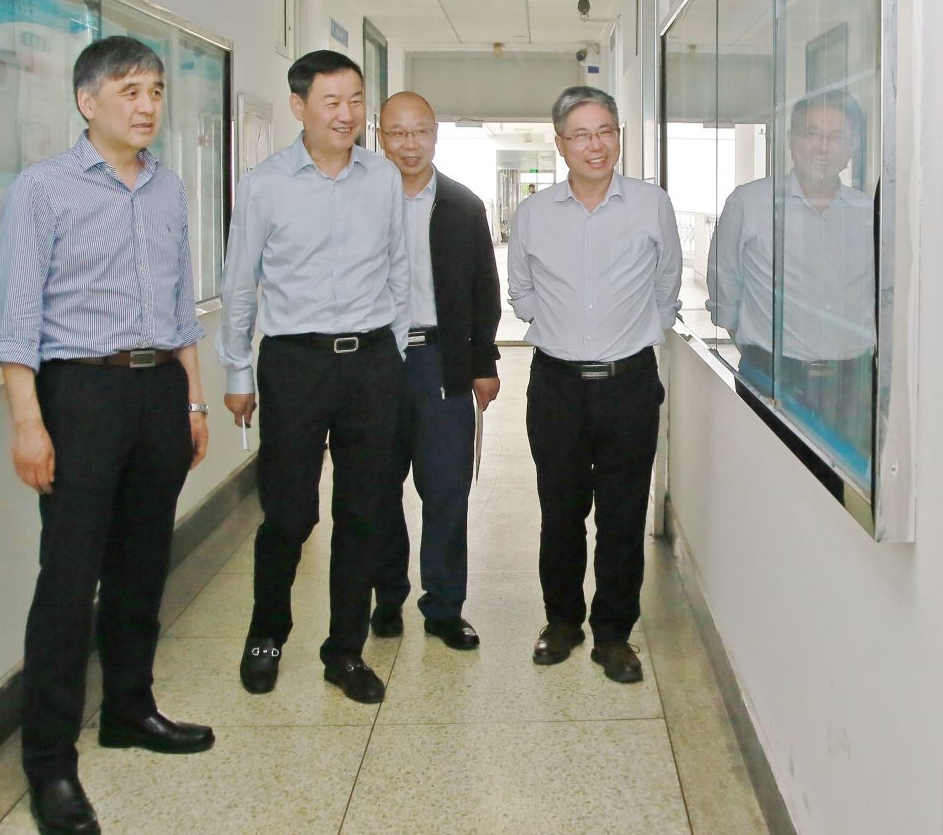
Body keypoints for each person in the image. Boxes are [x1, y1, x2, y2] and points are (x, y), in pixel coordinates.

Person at [0, 35, 215, 835]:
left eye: (155, 90)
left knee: (144, 561)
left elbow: (181, 306)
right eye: (130, 91)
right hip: (78, 391)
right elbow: (16, 319)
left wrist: (192, 400)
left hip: (159, 390)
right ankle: (50, 761)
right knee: (69, 575)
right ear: (88, 102)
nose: (147, 105)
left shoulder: (167, 187)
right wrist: (28, 420)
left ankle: (129, 707)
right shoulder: (43, 189)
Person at [220, 50, 409, 705]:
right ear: (299, 107)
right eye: (332, 101)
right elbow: (240, 283)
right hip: (295, 362)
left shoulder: (382, 178)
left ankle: (345, 651)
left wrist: (395, 355)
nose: (346, 114)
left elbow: (399, 268)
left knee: (363, 510)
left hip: (371, 361)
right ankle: (267, 632)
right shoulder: (265, 183)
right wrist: (237, 369)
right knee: (289, 511)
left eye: (356, 100)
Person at [507, 86, 681, 684]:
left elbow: (666, 283)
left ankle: (613, 635)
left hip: (629, 384)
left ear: (618, 136)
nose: (595, 145)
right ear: (560, 144)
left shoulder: (651, 205)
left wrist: (636, 333)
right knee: (560, 512)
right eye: (580, 134)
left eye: (605, 130)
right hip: (556, 387)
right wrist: (562, 331)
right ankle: (562, 622)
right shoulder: (533, 214)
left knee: (623, 515)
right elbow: (521, 290)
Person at [369, 92, 503, 649]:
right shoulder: (360, 200)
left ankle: (445, 607)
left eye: (420, 131)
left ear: (435, 134)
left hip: (439, 360)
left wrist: (483, 362)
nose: (409, 144)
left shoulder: (463, 206)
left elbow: (483, 291)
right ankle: (387, 595)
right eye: (397, 132)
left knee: (447, 488)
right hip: (375, 360)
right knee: (377, 487)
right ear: (380, 136)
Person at [707, 90, 877, 457]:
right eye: (812, 133)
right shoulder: (750, 203)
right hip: (772, 376)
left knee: (842, 484)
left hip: (851, 385)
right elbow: (725, 282)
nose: (823, 147)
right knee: (766, 476)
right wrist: (756, 348)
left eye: (837, 137)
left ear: (852, 147)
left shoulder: (869, 212)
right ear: (791, 140)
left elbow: (886, 293)